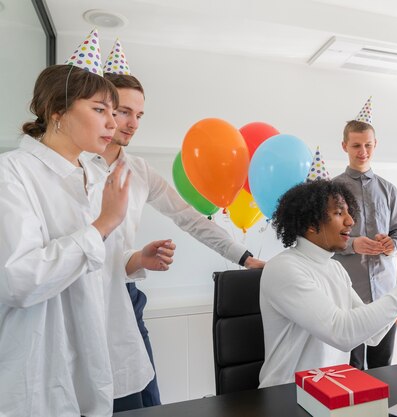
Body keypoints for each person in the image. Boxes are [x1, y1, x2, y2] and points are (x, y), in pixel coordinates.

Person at [94, 41, 265, 409]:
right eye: (124, 111)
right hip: (84, 298)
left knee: (146, 398)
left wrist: (245, 257)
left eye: (139, 114)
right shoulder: (72, 168)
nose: (132, 124)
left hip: (126, 296)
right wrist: (137, 256)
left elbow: (190, 219)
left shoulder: (139, 171)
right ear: (102, 110)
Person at [0, 29, 131, 416]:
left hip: (88, 354)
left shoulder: (93, 174)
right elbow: (20, 280)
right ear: (57, 111)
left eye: (115, 111)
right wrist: (102, 225)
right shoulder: (12, 174)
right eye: (99, 109)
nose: (115, 121)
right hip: (36, 366)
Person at [258, 180, 397, 387]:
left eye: (349, 213)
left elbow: (374, 335)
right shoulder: (284, 268)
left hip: (330, 392)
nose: (350, 221)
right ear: (311, 224)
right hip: (286, 394)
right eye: (339, 213)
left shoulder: (335, 269)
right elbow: (343, 333)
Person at [332, 100, 397, 370]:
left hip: (385, 295)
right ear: (344, 147)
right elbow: (323, 241)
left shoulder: (389, 189)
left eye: (368, 145)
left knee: (383, 368)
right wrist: (353, 244)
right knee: (350, 369)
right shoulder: (331, 191)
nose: (363, 151)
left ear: (375, 145)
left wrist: (391, 243)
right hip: (348, 296)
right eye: (356, 145)